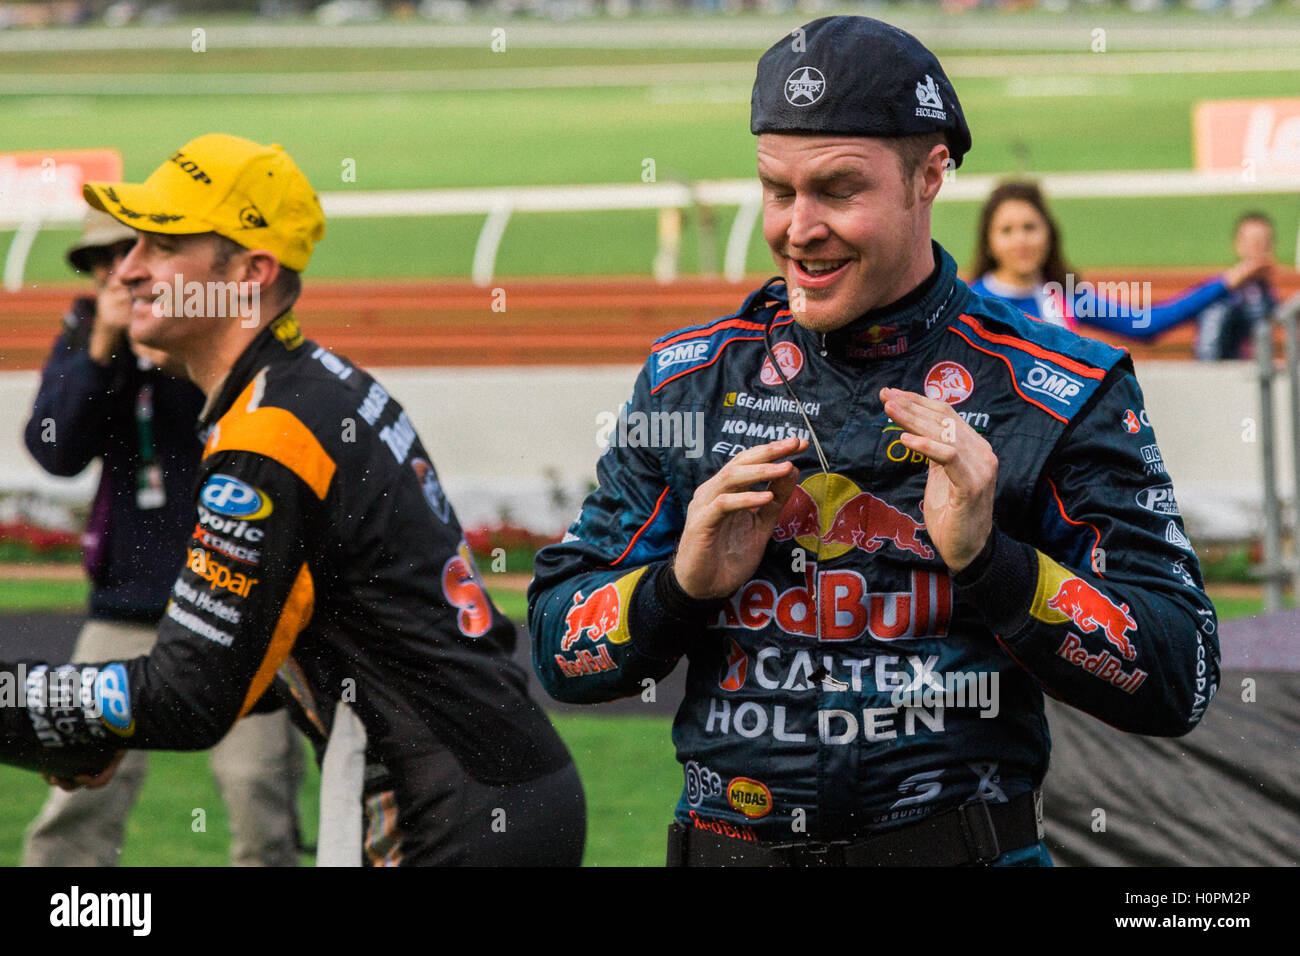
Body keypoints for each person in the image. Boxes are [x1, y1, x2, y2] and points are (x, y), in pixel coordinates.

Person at [529, 16, 1219, 867]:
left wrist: (991, 563)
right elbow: (558, 646)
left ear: (931, 174)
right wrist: (681, 586)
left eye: (838, 189)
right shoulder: (689, 380)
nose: (798, 228)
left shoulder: (1063, 389)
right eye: (778, 191)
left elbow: (1180, 673)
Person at [0, 134, 585, 866]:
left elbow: (188, 695)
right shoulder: (315, 385)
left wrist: (28, 705)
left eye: (163, 243)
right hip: (493, 788)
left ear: (250, 271)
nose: (130, 268)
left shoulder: (273, 431)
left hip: (444, 814)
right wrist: (99, 723)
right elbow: (261, 655)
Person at [21, 209, 305, 868]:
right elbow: (55, 448)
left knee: (257, 787)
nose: (119, 273)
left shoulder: (215, 330)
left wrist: (173, 353)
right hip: (125, 605)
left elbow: (254, 420)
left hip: (233, 605)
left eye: (131, 254)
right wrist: (102, 354)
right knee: (78, 794)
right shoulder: (85, 335)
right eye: (101, 264)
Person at [968, 180, 1271, 337]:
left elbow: (1147, 324)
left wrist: (1228, 281)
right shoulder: (972, 302)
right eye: (1007, 230)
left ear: (1049, 234)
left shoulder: (1065, 296)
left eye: (1030, 228)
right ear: (990, 242)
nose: (1021, 239)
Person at [1193, 212, 1280, 360]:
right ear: (1238, 245)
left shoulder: (1265, 291)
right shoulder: (1221, 295)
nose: (1260, 250)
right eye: (1254, 243)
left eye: (1265, 243)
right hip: (1224, 374)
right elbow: (1208, 351)